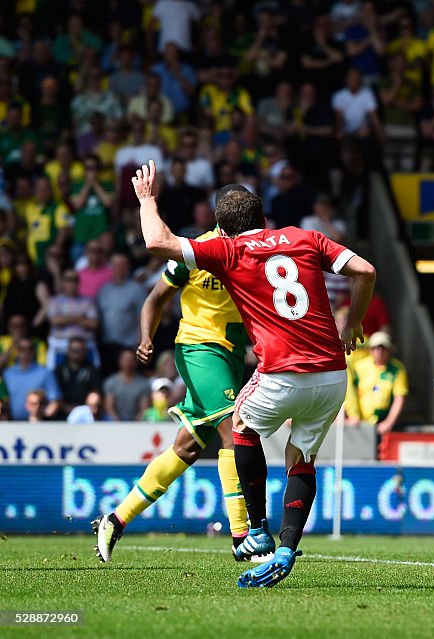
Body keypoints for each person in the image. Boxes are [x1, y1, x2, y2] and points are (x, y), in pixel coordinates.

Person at [128, 161, 375, 588]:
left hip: (283, 371)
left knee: (239, 425)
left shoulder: (228, 250)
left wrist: (148, 199)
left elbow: (157, 241)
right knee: (301, 459)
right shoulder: (305, 236)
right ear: (264, 218)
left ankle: (256, 529)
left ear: (223, 230)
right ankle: (286, 548)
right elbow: (366, 271)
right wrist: (353, 323)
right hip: (333, 375)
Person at [93, 185, 254, 563]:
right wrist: (146, 338)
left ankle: (115, 519)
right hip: (199, 348)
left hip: (231, 355)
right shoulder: (197, 250)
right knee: (235, 428)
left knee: (188, 446)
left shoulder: (254, 249)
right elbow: (154, 300)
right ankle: (242, 540)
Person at [344, 331, 408, 434]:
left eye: (383, 348)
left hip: (382, 425)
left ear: (390, 350)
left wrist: (389, 422)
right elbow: (349, 392)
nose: (379, 351)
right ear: (370, 350)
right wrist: (349, 415)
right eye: (375, 348)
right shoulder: (360, 366)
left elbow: (399, 398)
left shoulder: (397, 369)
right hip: (360, 425)